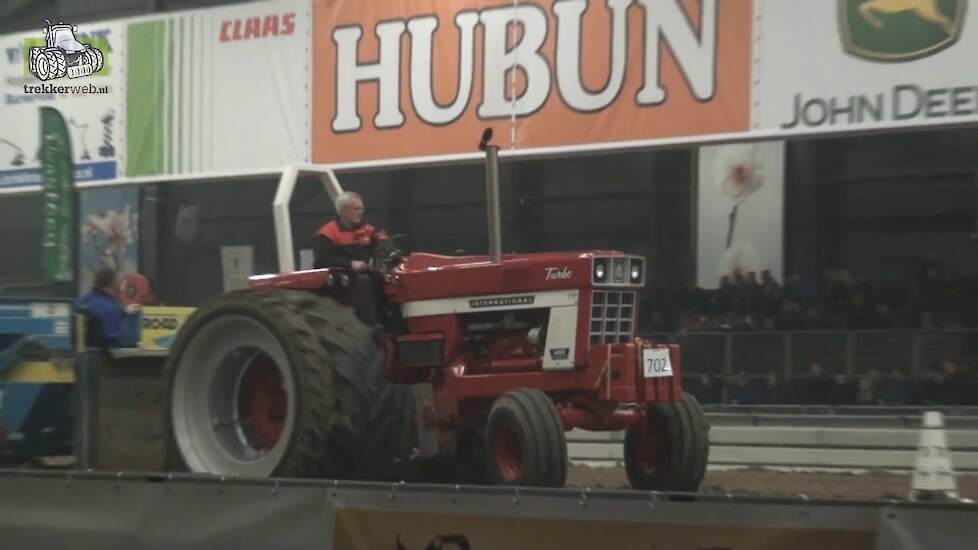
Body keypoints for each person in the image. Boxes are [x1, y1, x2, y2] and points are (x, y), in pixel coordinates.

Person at [312, 191, 399, 326]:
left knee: (390, 278)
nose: (361, 212)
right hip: (341, 279)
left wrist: (387, 252)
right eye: (356, 209)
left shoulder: (368, 229)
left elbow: (384, 241)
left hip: (366, 273)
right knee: (363, 281)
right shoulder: (326, 234)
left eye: (361, 209)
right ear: (343, 211)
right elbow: (322, 261)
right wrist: (351, 264)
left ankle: (393, 322)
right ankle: (371, 325)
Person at [76, 268, 141, 348]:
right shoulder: (109, 309)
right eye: (117, 281)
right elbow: (116, 342)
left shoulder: (80, 302)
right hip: (103, 357)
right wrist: (136, 345)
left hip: (83, 355)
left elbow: (98, 314)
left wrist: (124, 311)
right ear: (112, 284)